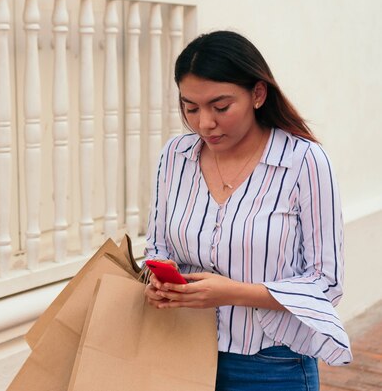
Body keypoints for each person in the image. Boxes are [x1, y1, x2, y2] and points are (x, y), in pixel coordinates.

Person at [143, 30, 352, 391]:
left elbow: (326, 282)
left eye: (220, 107)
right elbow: (157, 248)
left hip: (271, 364)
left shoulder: (304, 162)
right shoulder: (175, 156)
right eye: (190, 108)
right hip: (179, 353)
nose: (204, 123)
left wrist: (231, 292)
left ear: (258, 94)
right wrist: (157, 282)